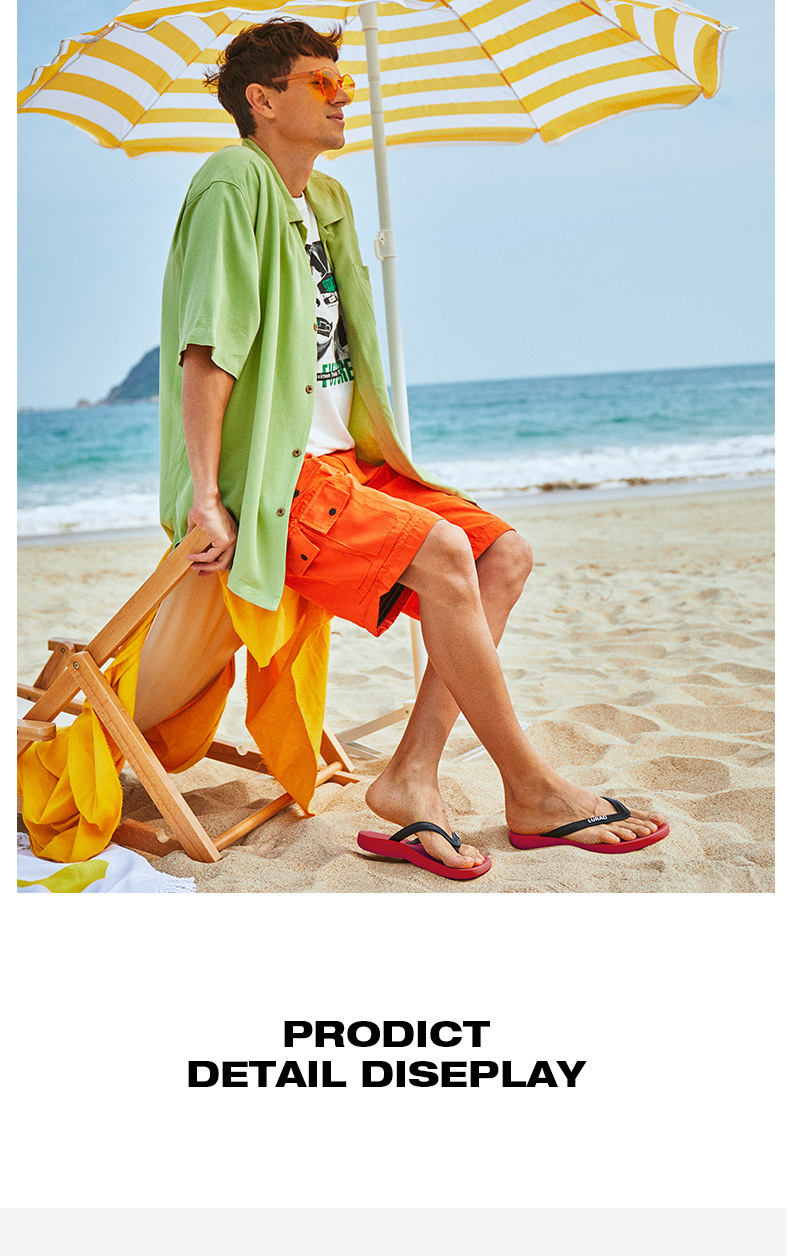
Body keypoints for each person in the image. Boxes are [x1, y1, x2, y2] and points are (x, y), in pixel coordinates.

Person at [159, 17, 667, 879]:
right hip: (278, 475)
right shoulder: (231, 180)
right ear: (262, 99)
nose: (342, 95)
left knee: (501, 553)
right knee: (441, 553)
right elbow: (208, 348)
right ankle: (533, 788)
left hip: (350, 461)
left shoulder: (327, 199)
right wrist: (206, 495)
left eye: (344, 80)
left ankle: (410, 777)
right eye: (321, 81)